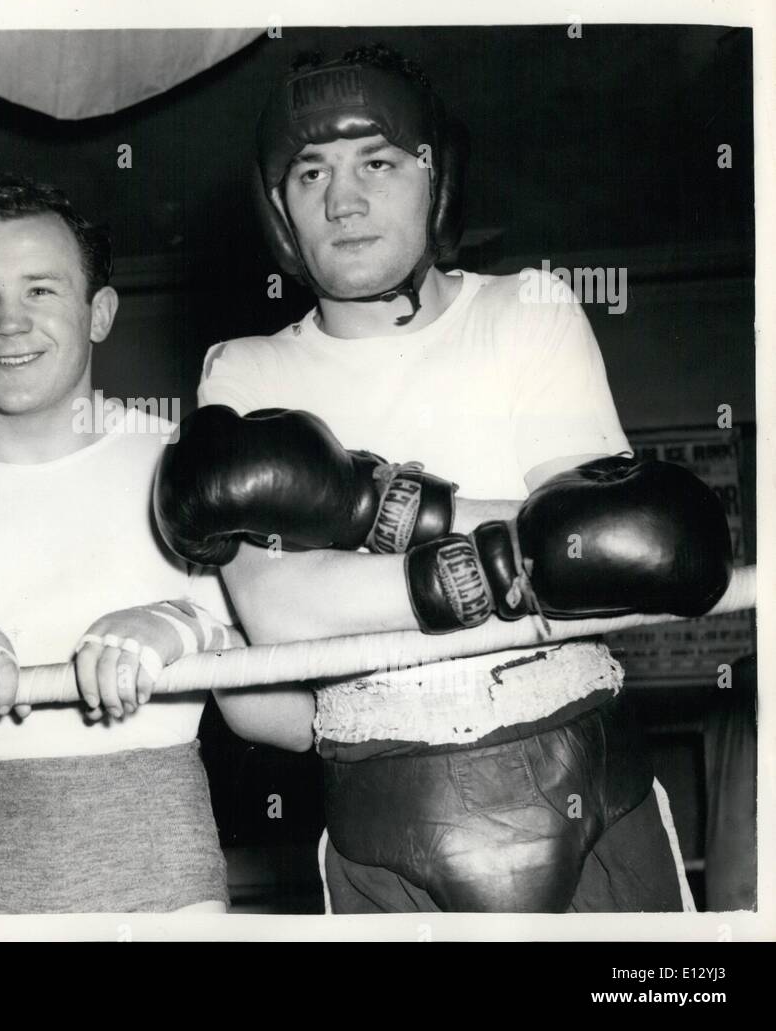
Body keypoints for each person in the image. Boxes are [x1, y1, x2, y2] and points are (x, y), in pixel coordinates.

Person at [156, 46, 730, 913]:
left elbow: (611, 559)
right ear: (279, 211)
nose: (343, 201)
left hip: (587, 783)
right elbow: (284, 615)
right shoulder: (245, 373)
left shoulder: (525, 309)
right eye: (310, 173)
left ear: (437, 179)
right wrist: (524, 551)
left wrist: (364, 507)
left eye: (377, 163)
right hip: (384, 814)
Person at [0, 175, 300, 914]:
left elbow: (285, 719)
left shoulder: (185, 466)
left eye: (41, 291)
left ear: (99, 313)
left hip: (164, 885)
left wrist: (188, 626)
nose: (8, 322)